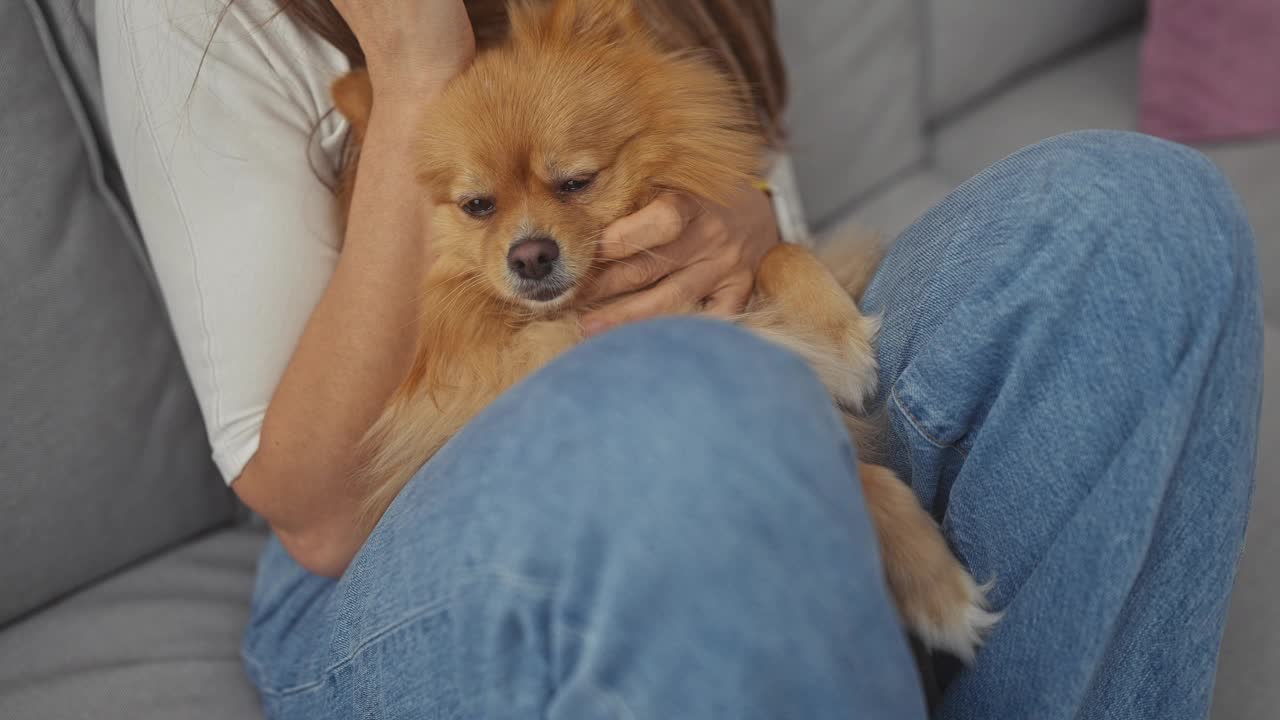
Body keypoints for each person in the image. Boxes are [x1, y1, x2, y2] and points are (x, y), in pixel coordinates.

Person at [97, 0, 1262, 717]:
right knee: (694, 407)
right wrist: (411, 71)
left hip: (733, 386)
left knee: (1136, 218)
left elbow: (742, 233)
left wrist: (743, 217)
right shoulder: (196, 20)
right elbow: (317, 517)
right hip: (395, 563)